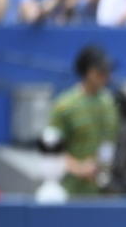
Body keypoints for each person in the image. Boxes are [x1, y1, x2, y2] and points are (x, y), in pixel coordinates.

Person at [41, 46, 119, 196]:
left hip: (102, 193)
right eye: (101, 72)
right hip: (68, 190)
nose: (106, 76)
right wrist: (79, 168)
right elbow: (50, 150)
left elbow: (110, 143)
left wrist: (102, 168)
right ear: (88, 72)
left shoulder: (110, 104)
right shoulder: (64, 105)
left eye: (107, 72)